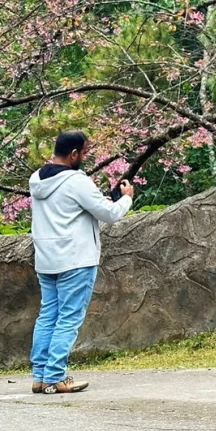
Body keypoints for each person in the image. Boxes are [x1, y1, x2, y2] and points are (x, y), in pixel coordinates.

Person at [28, 131, 135, 394]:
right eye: (85, 152)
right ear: (74, 153)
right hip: (76, 259)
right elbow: (109, 215)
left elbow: (74, 209)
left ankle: (40, 376)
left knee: (47, 317)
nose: (85, 157)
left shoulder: (36, 179)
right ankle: (56, 377)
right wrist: (127, 198)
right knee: (68, 318)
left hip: (47, 259)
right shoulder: (77, 181)